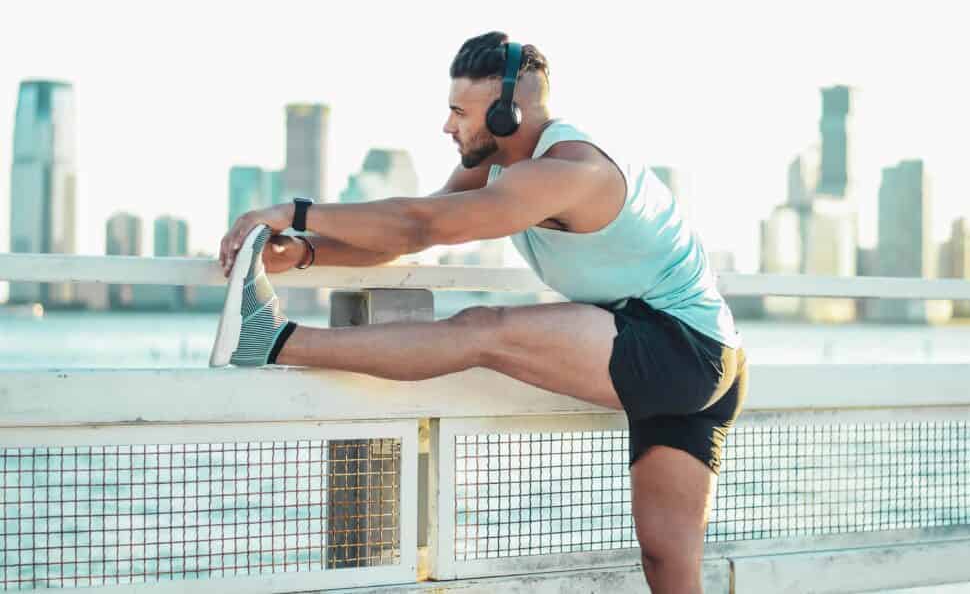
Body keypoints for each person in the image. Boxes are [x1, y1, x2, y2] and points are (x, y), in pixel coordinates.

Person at [212, 31, 747, 594]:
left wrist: (295, 210)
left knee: (482, 330)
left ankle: (271, 341)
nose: (448, 127)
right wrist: (308, 252)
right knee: (668, 562)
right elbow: (413, 232)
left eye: (459, 112)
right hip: (699, 356)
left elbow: (421, 223)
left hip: (682, 348)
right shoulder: (497, 167)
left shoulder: (569, 172)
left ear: (507, 113)